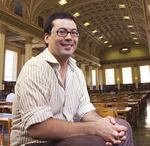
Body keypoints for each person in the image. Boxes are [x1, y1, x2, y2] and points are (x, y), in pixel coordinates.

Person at [11, 12, 134, 146]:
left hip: (64, 139)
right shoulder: (35, 68)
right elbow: (38, 127)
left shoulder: (77, 72)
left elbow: (85, 111)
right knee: (92, 141)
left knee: (122, 127)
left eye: (74, 33)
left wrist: (104, 124)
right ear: (47, 37)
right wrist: (95, 129)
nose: (69, 37)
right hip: (35, 142)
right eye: (62, 32)